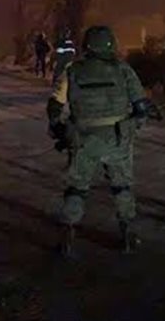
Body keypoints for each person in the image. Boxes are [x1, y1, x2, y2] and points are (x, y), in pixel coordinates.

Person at [47, 26, 153, 256]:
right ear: (111, 44)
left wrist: (59, 131)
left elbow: (54, 106)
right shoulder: (124, 70)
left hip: (83, 139)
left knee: (77, 188)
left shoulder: (72, 71)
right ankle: (127, 236)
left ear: (87, 45)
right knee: (122, 187)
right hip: (117, 139)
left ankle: (67, 237)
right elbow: (142, 107)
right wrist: (133, 128)